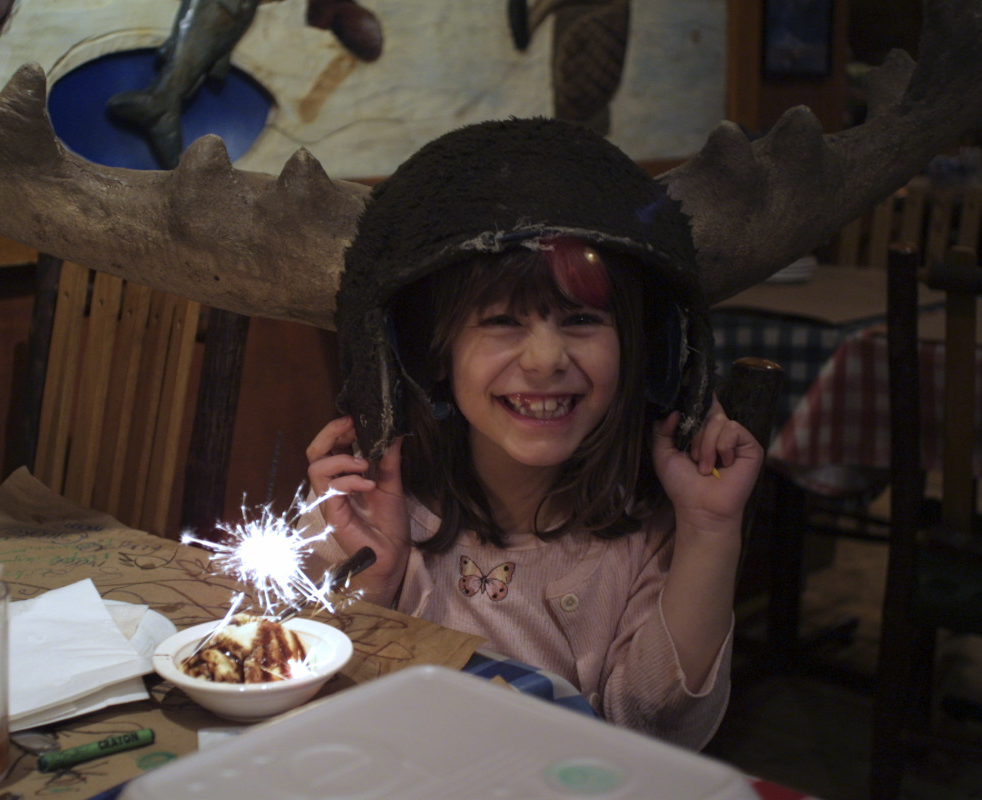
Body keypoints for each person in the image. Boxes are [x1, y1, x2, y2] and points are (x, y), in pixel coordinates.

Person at [301, 117, 764, 750]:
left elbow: (655, 731)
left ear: (635, 349)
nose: (546, 360)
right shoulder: (366, 507)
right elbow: (302, 692)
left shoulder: (650, 533)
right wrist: (373, 579)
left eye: (581, 320)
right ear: (435, 352)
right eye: (501, 321)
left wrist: (709, 531)